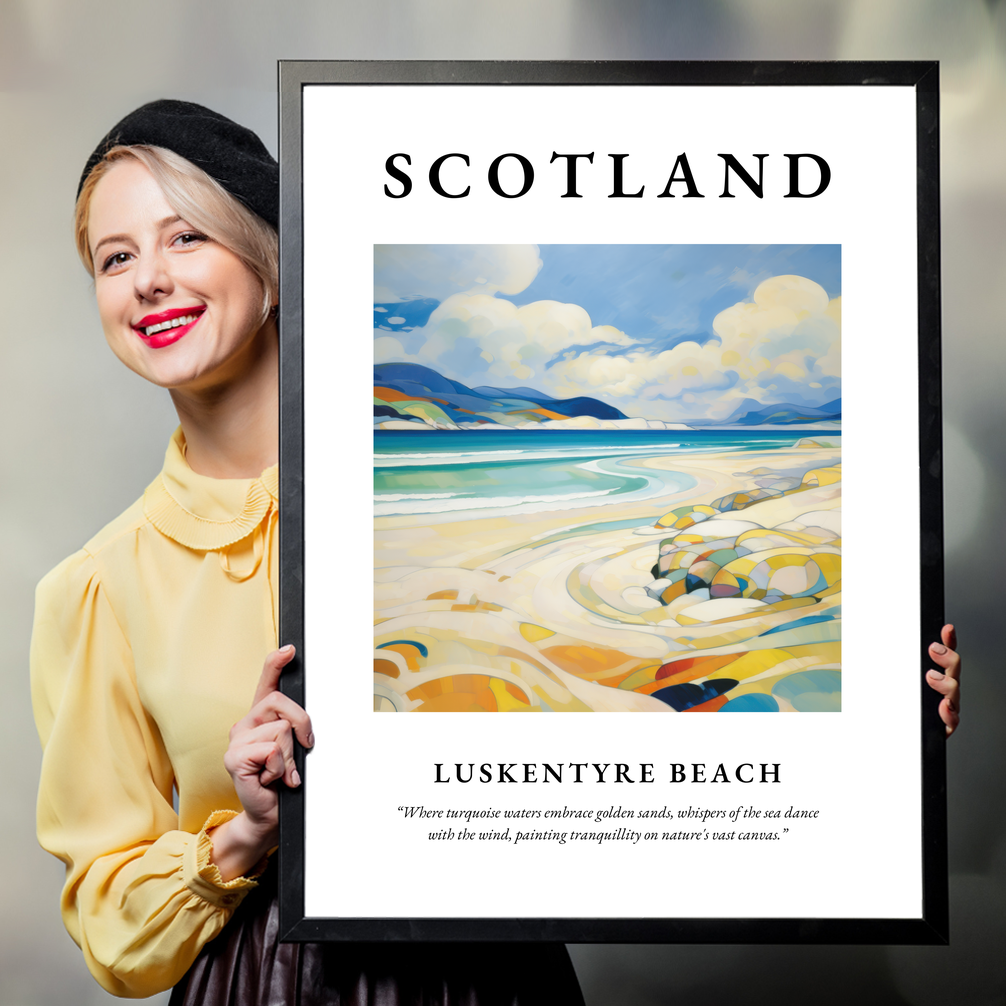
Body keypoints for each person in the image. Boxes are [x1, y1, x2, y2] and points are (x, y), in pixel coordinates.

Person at [30, 100, 585, 1004]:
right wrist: (245, 832)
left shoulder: (449, 509)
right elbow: (110, 924)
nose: (148, 281)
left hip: (493, 973)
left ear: (274, 264)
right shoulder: (97, 587)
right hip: (262, 982)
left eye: (186, 239)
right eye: (116, 257)